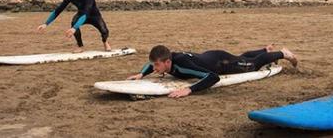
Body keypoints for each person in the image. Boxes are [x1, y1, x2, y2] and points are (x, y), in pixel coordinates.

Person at [127, 44, 298, 98]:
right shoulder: (166, 60)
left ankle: (284, 53)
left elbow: (213, 77)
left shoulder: (181, 64)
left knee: (252, 65)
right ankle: (265, 49)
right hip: (208, 56)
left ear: (167, 62)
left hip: (220, 63)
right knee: (242, 58)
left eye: (157, 66)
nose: (154, 68)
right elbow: (150, 64)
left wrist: (189, 89)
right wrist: (141, 74)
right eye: (154, 66)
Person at [37, 0, 111, 52]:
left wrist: (74, 28)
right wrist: (46, 24)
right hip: (81, 14)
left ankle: (105, 42)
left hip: (94, 15)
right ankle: (80, 46)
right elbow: (58, 10)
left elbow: (86, 13)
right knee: (74, 22)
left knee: (104, 30)